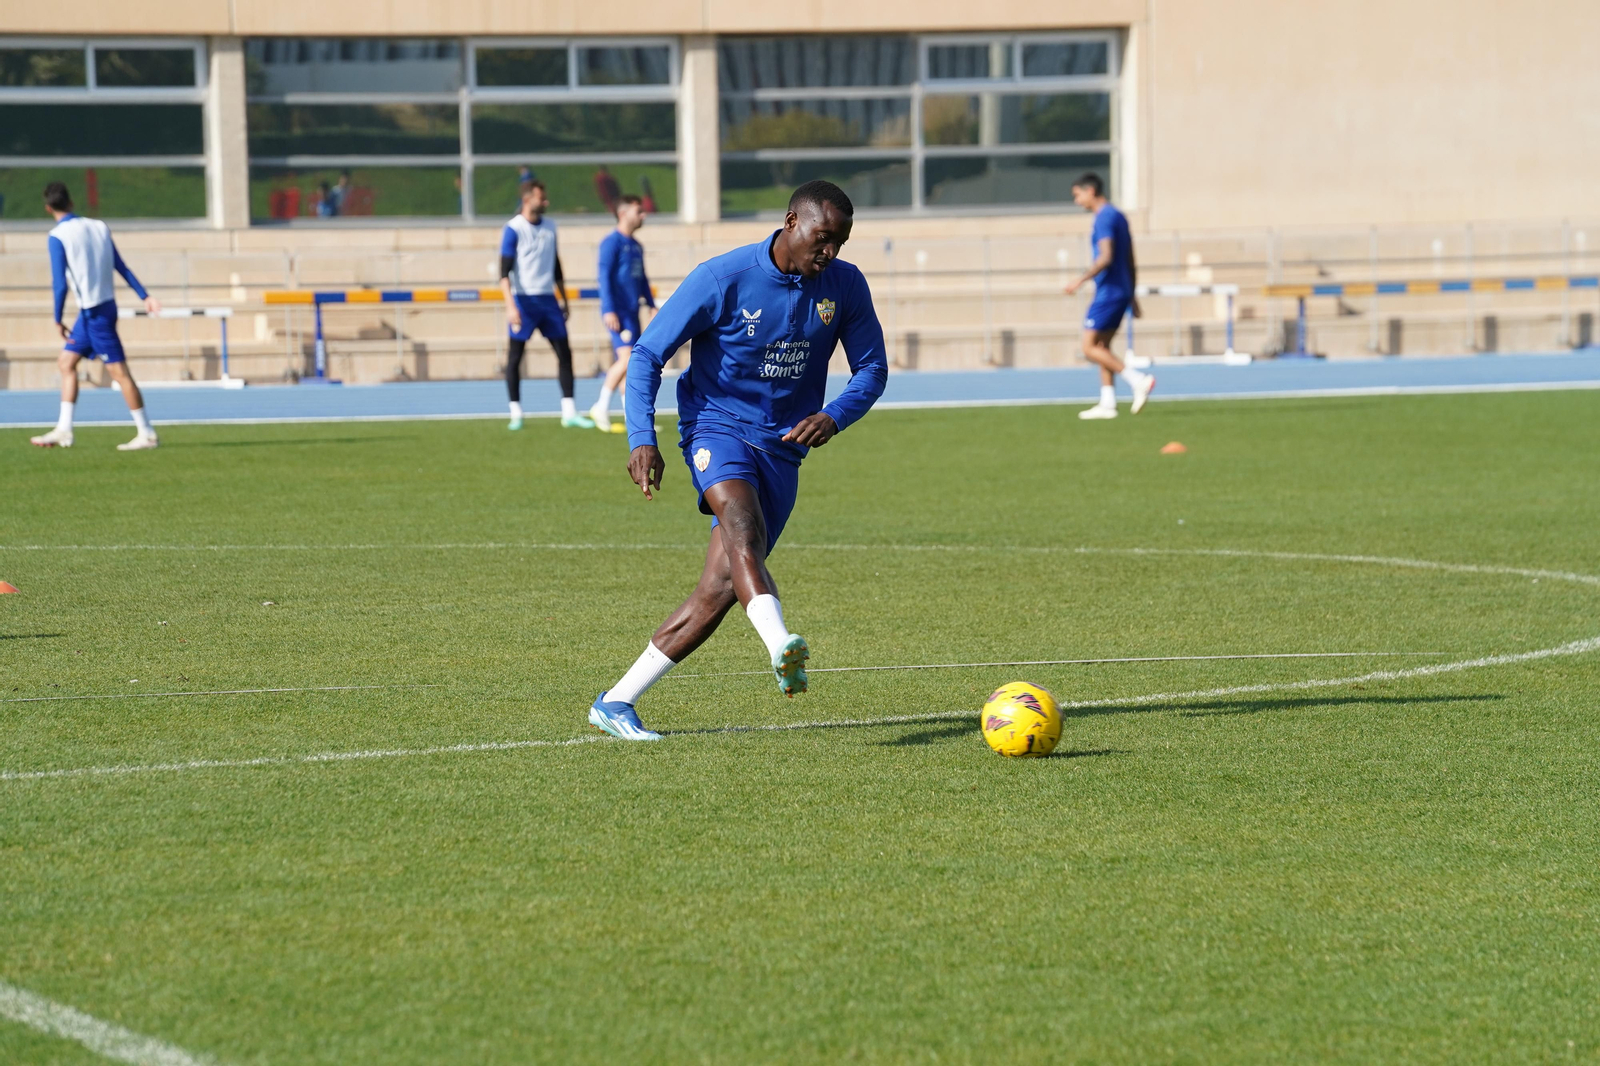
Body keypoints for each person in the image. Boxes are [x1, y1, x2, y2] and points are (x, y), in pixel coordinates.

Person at [589, 180, 888, 741]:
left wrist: (834, 415)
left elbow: (872, 368)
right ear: (791, 222)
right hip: (715, 426)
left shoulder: (844, 286)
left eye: (841, 244)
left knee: (721, 588)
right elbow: (649, 353)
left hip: (784, 448)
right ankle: (782, 645)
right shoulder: (722, 278)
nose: (831, 254)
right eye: (823, 240)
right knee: (741, 526)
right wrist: (641, 437)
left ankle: (616, 700)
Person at [30, 183, 160, 451]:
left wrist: (56, 317)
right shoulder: (99, 226)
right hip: (98, 309)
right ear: (71, 201)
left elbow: (60, 283)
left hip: (94, 313)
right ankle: (64, 429)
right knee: (66, 362)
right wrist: (144, 295)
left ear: (48, 208)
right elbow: (120, 265)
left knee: (119, 373)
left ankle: (146, 432)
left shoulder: (57, 236)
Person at [498, 181, 592, 430]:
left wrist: (564, 298)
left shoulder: (551, 227)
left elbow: (556, 265)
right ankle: (516, 412)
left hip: (548, 301)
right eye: (542, 198)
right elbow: (504, 273)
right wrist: (510, 306)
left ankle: (569, 411)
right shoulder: (513, 229)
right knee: (515, 357)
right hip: (523, 300)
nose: (546, 202)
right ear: (528, 199)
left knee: (564, 353)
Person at [1063, 172, 1155, 419]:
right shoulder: (1119, 216)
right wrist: (1132, 293)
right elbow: (1130, 259)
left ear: (1090, 191)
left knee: (1089, 346)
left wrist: (1079, 280)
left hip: (1109, 291)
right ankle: (1108, 403)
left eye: (1077, 195)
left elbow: (1106, 256)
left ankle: (1137, 380)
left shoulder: (1104, 218)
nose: (1077, 201)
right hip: (1121, 289)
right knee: (1103, 346)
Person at [588, 194, 655, 432]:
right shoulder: (611, 243)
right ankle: (600, 406)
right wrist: (609, 309)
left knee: (632, 364)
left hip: (632, 312)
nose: (643, 216)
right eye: (639, 211)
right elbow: (604, 278)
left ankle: (632, 420)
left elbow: (642, 278)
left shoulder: (636, 246)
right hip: (618, 313)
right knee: (627, 359)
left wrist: (650, 303)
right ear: (623, 213)